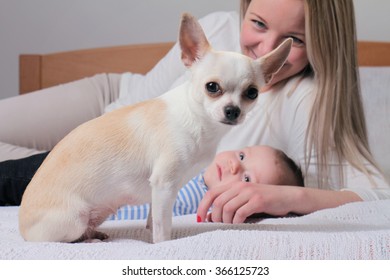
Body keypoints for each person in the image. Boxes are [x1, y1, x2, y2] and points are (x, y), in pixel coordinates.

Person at [0, 0, 389, 220]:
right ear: (245, 9)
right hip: (109, 103)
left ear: (324, 43)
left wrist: (283, 197)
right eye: (256, 23)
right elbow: (132, 103)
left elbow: (378, 199)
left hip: (114, 159)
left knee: (20, 179)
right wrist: (88, 142)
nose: (264, 47)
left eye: (293, 40)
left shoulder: (307, 101)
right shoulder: (217, 29)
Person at [108, 145, 304, 220]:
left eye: (247, 179)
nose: (234, 164)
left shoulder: (204, 205)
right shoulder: (195, 164)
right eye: (242, 155)